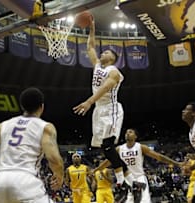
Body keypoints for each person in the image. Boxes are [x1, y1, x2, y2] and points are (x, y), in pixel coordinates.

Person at [0, 87, 65, 203]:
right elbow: (53, 159)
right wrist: (59, 175)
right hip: (26, 180)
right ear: (42, 107)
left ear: (22, 106)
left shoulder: (5, 125)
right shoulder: (45, 127)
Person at [72, 17, 134, 202]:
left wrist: (89, 102)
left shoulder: (114, 71)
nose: (102, 53)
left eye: (106, 51)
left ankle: (123, 184)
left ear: (113, 58)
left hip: (110, 109)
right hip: (99, 110)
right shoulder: (98, 66)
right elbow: (90, 47)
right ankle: (130, 182)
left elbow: (105, 88)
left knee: (108, 145)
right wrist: (92, 27)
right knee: (105, 150)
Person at [94, 128, 184, 203]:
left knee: (143, 201)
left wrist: (176, 163)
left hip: (139, 177)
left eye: (130, 132)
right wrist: (95, 170)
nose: (127, 134)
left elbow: (159, 157)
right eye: (126, 132)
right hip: (127, 180)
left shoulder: (141, 147)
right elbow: (108, 161)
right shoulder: (119, 149)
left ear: (135, 136)